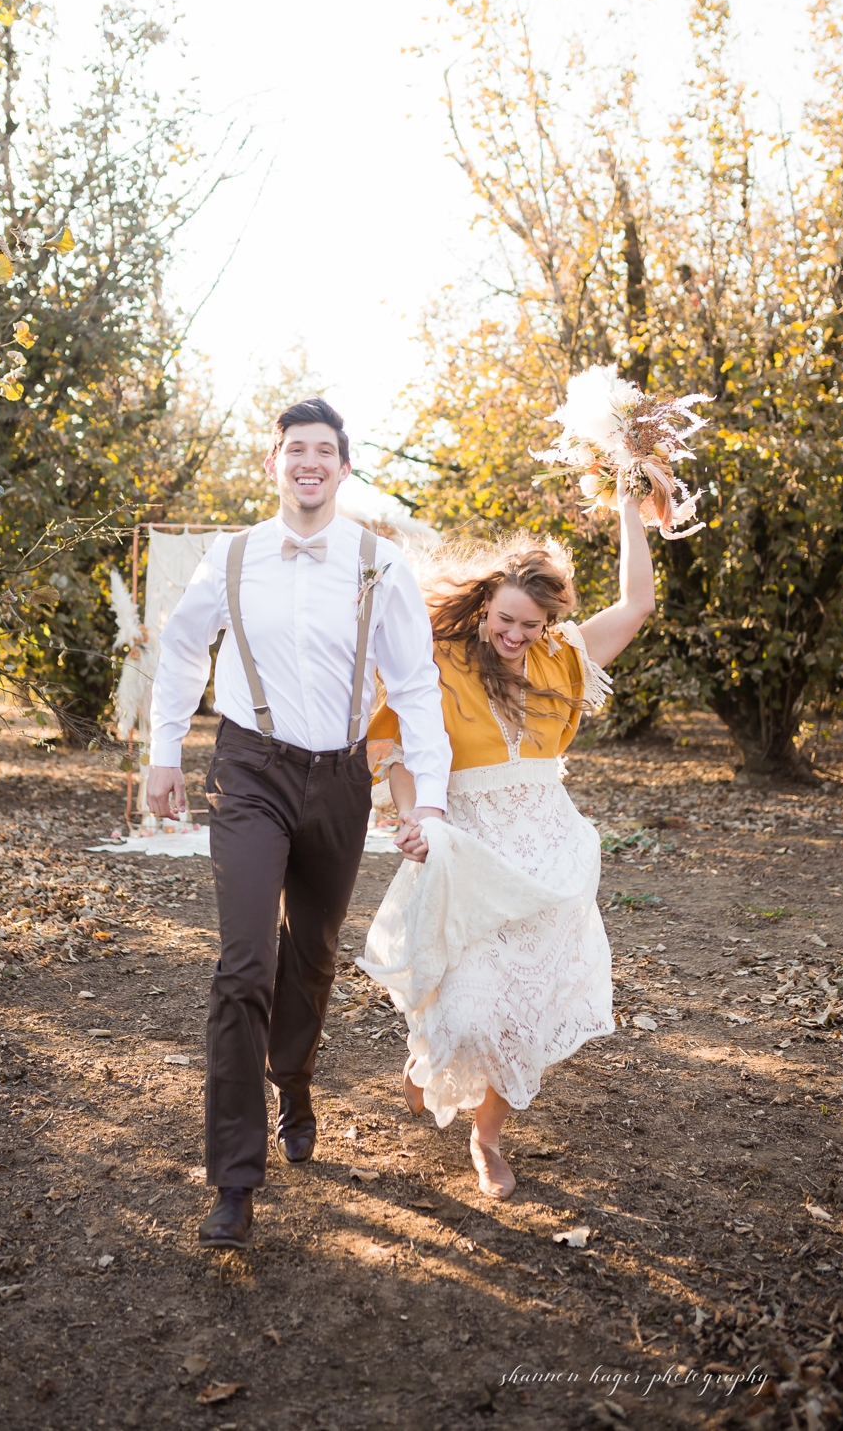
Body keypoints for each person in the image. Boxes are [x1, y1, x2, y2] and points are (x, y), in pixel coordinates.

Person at [144, 398, 454, 1249]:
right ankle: (235, 1180)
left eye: (325, 450)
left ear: (344, 469)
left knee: (312, 956)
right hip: (249, 770)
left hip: (342, 778)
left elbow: (417, 686)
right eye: (295, 450)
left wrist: (427, 798)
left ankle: (296, 1081)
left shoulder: (379, 563)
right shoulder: (232, 555)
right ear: (273, 463)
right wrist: (163, 749)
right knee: (244, 962)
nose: (309, 462)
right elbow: (180, 647)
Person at [356, 494, 654, 1201]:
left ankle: (485, 1138)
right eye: (505, 619)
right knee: (471, 1000)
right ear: (485, 603)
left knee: (522, 1006)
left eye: (532, 624)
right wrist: (411, 818)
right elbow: (395, 751)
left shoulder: (564, 658)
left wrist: (628, 504)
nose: (516, 635)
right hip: (469, 845)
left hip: (549, 851)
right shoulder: (436, 660)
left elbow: (637, 603)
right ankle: (432, 1056)